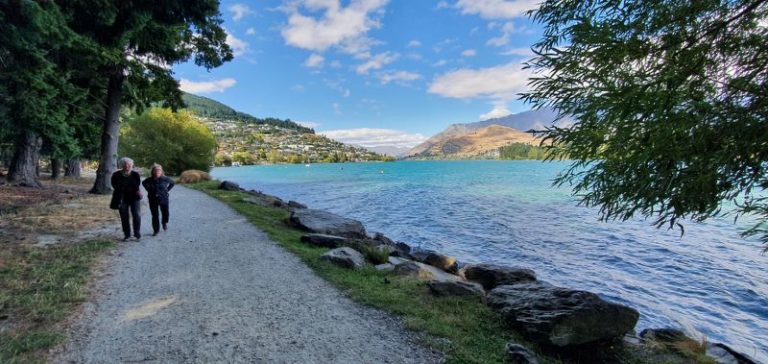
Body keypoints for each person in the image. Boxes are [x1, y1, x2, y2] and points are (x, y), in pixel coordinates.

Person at [111, 157, 142, 241]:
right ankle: (127, 234)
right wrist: (124, 187)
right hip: (122, 198)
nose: (128, 166)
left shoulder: (135, 174)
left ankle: (137, 233)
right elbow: (115, 185)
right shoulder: (116, 175)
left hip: (134, 197)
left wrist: (128, 186)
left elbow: (137, 185)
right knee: (124, 216)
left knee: (136, 215)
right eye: (125, 164)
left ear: (132, 165)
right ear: (122, 165)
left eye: (129, 164)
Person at [142, 164, 175, 236]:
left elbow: (172, 183)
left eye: (159, 170)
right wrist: (149, 190)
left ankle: (164, 222)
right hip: (152, 198)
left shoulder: (165, 178)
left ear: (161, 171)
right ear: (153, 171)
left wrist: (167, 190)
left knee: (165, 212)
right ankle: (156, 230)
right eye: (155, 170)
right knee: (155, 215)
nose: (157, 171)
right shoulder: (149, 180)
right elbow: (143, 183)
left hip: (163, 198)